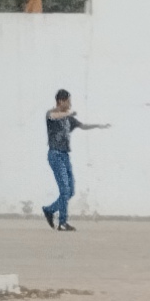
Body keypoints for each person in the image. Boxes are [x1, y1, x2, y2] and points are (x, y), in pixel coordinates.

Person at [44, 88, 99, 230]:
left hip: (65, 155)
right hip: (55, 155)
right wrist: (68, 113)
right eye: (68, 101)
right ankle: (62, 223)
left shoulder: (69, 118)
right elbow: (54, 116)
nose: (70, 104)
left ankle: (50, 210)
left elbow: (82, 126)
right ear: (61, 101)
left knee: (71, 190)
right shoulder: (51, 114)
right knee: (64, 190)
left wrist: (98, 126)